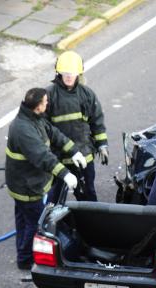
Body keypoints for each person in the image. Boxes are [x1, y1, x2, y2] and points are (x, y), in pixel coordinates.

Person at [5, 88, 85, 270]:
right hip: (27, 187)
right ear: (37, 106)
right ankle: (25, 259)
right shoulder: (23, 130)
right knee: (35, 223)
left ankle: (22, 251)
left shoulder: (33, 118)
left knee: (23, 219)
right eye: (45, 102)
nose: (47, 104)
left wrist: (74, 151)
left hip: (24, 182)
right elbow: (42, 156)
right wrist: (65, 174)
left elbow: (53, 133)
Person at [46, 51, 108, 202]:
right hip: (59, 159)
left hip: (83, 157)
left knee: (88, 195)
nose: (68, 76)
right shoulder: (49, 95)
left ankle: (90, 223)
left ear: (79, 74)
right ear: (58, 72)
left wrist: (102, 145)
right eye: (65, 72)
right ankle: (51, 224)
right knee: (54, 198)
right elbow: (42, 126)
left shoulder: (87, 94)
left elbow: (97, 121)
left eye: (72, 73)